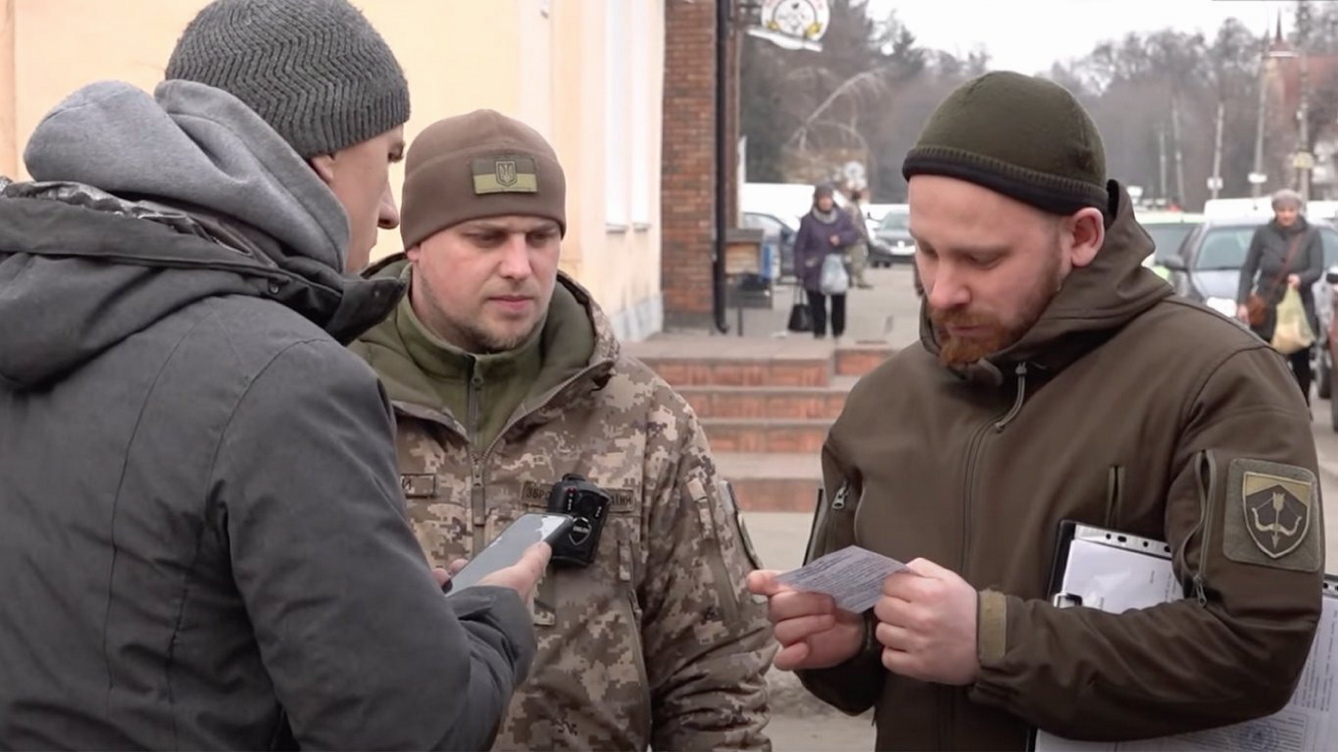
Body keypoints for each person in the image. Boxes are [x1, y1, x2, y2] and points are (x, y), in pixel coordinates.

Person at [0, 1, 544, 749]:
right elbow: (406, 732)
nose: (391, 211)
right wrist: (490, 616)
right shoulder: (287, 380)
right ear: (323, 160)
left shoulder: (34, 303)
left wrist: (378, 610)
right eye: (387, 159)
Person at [748, 71, 1322, 750]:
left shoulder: (1219, 381)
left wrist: (993, 642)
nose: (942, 291)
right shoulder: (882, 401)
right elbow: (867, 667)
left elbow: (1258, 649)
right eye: (927, 252)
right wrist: (846, 644)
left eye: (981, 259)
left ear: (1081, 235)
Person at [349, 109, 775, 752]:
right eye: (487, 238)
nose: (520, 265)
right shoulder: (331, 397)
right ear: (416, 243)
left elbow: (716, 674)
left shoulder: (644, 419)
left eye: (541, 237)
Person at [1236, 188, 1325, 404]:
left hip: (1298, 306)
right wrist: (1242, 301)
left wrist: (1301, 278)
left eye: (1291, 210)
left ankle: (1302, 406)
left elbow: (1317, 268)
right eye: (1282, 210)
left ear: (1298, 210)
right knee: (1268, 359)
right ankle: (1271, 405)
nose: (1286, 215)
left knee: (1300, 359)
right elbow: (1249, 268)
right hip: (1268, 306)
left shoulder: (1311, 234)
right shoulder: (1263, 233)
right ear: (1275, 211)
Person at [793, 184, 860, 340]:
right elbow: (799, 246)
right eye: (822, 198)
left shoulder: (842, 217)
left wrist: (840, 238)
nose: (825, 202)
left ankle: (838, 333)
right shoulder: (808, 220)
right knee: (817, 304)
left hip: (837, 266)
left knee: (838, 302)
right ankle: (819, 334)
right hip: (814, 268)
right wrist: (800, 269)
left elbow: (853, 235)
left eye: (828, 198)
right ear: (816, 200)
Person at [845, 187, 875, 289]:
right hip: (855, 239)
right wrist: (863, 234)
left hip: (852, 238)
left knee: (851, 261)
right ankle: (859, 281)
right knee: (858, 261)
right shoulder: (852, 207)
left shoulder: (851, 206)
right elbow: (855, 224)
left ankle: (851, 280)